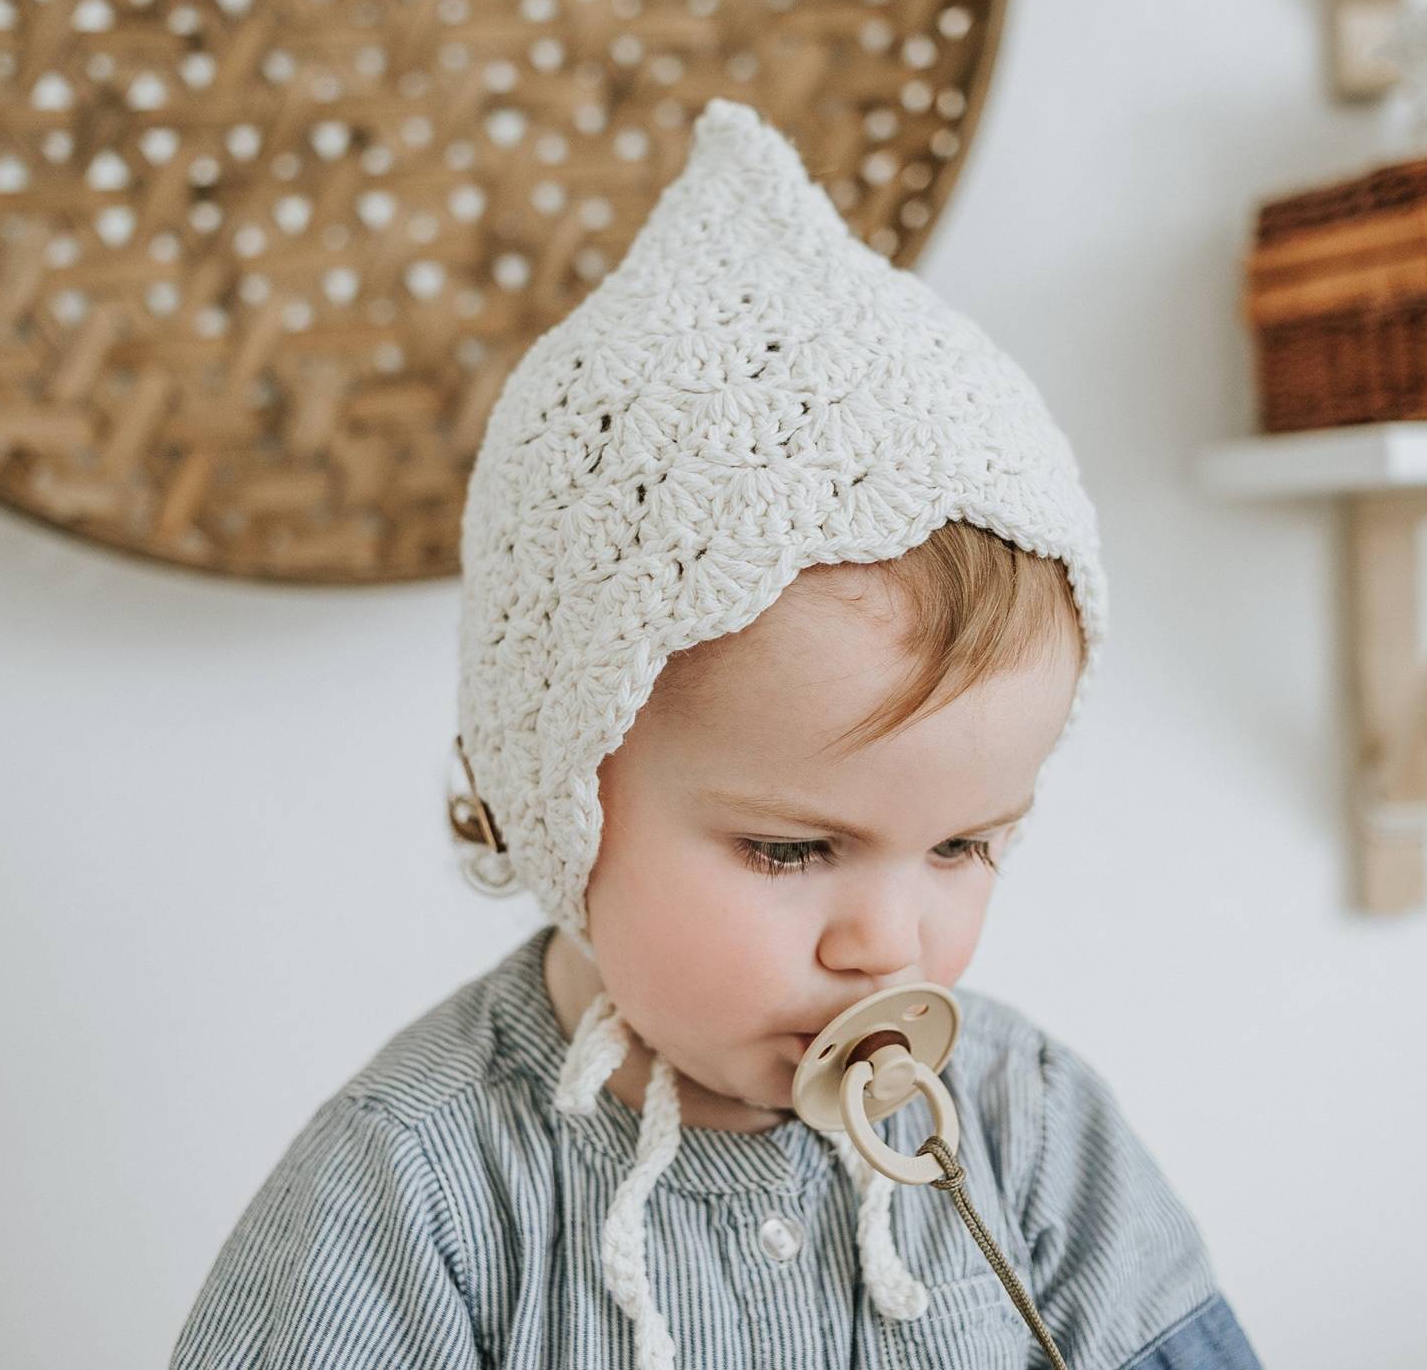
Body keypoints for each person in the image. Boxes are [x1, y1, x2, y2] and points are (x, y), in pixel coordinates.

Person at [170, 98, 1262, 1369]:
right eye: (794, 851)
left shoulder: (1031, 1131)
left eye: (964, 847)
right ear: (559, 800)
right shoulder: (415, 1191)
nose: (891, 943)